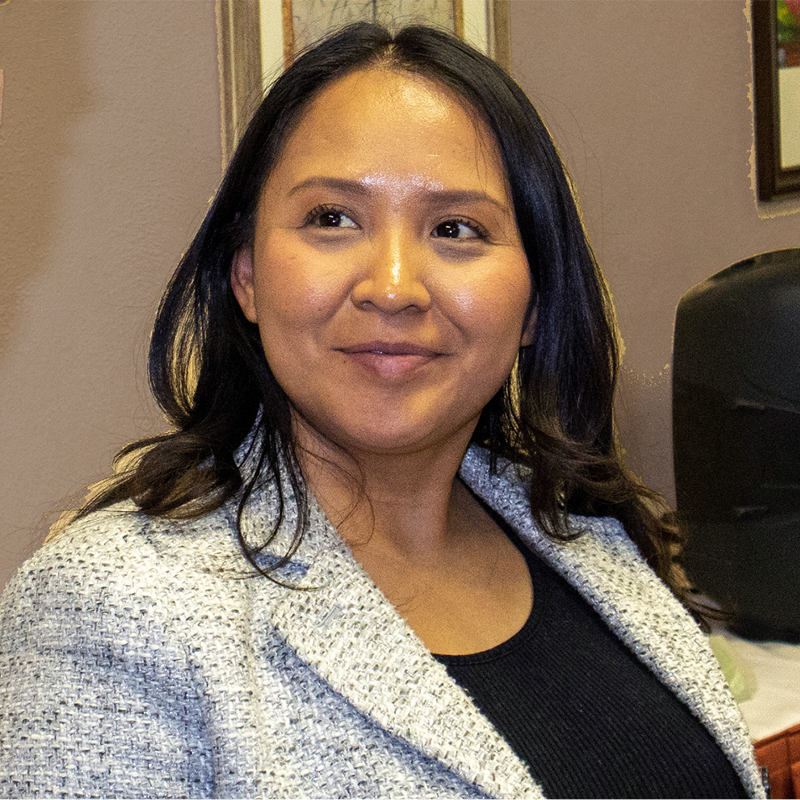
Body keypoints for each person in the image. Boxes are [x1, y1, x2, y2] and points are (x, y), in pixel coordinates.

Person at [0, 23, 764, 800]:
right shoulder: (113, 609)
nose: (393, 285)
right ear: (247, 277)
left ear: (534, 302)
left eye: (456, 229)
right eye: (332, 218)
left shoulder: (585, 533)